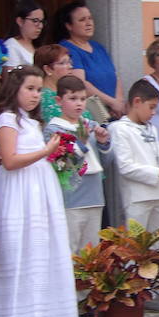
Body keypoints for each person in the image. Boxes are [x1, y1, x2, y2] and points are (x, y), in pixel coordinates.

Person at [0, 66, 79, 317]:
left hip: (38, 192)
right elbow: (11, 160)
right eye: (30, 89)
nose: (36, 95)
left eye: (39, 90)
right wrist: (46, 152)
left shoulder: (31, 122)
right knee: (19, 255)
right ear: (15, 89)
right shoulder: (7, 119)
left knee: (41, 253)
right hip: (18, 193)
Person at [43, 75, 111, 256]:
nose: (79, 104)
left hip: (95, 195)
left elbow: (105, 163)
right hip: (71, 198)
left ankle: (88, 285)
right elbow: (60, 165)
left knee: (91, 252)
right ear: (59, 101)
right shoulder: (54, 129)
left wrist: (103, 143)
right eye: (72, 99)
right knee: (70, 250)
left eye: (82, 99)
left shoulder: (90, 125)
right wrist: (81, 143)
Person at [109, 79, 159, 238]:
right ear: (136, 102)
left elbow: (158, 158)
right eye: (151, 107)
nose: (154, 112)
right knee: (135, 247)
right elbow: (125, 166)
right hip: (137, 197)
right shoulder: (120, 129)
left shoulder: (152, 128)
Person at [54, 2, 124, 118]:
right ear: (69, 26)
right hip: (93, 114)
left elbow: (115, 76)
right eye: (82, 20)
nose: (89, 23)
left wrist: (119, 103)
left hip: (115, 112)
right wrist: (112, 103)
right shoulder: (67, 49)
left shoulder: (98, 47)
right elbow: (80, 83)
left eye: (90, 18)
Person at [34, 44, 92, 122]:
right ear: (47, 69)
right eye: (63, 63)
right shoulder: (44, 98)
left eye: (70, 62)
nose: (70, 66)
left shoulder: (68, 91)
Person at [3, 0, 46, 69]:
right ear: (20, 21)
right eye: (35, 21)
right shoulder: (12, 45)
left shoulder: (38, 46)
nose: (40, 26)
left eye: (41, 21)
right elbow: (11, 77)